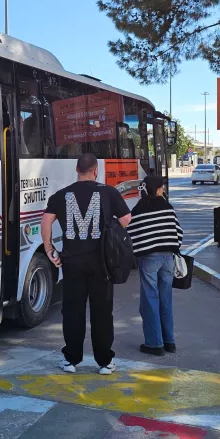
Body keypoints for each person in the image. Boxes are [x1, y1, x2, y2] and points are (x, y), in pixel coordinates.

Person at [41, 153, 131, 375]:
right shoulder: (109, 193)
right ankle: (104, 362)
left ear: (76, 169)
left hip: (72, 263)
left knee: (72, 312)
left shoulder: (61, 195)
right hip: (101, 264)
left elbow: (46, 220)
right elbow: (126, 220)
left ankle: (71, 359)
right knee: (102, 312)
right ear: (96, 170)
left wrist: (49, 248)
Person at [127, 175, 182, 356]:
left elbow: (131, 233)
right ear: (156, 189)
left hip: (149, 258)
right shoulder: (168, 207)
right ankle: (169, 341)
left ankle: (154, 344)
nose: (163, 190)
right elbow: (178, 232)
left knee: (150, 299)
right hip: (168, 257)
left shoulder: (139, 208)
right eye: (161, 188)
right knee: (166, 299)